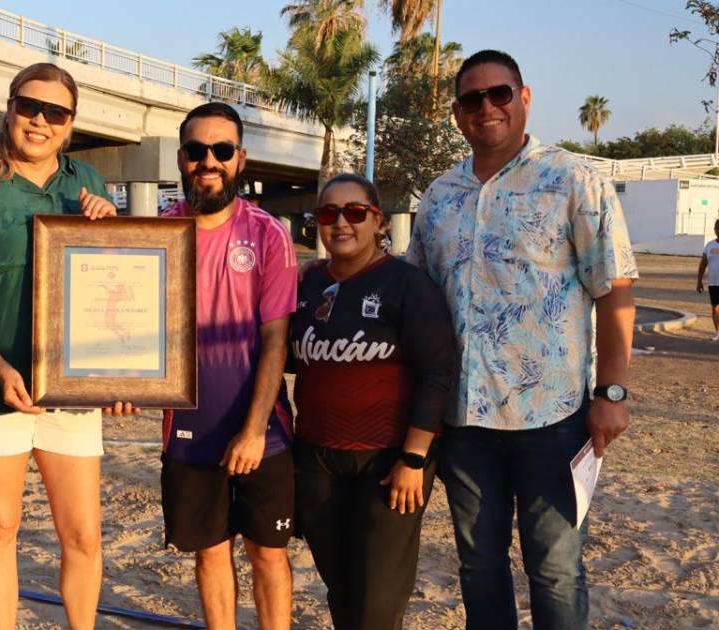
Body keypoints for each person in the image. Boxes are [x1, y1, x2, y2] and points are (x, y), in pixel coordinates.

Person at [408, 50, 639, 629]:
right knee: (478, 566)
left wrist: (612, 393)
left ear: (524, 98)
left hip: (553, 419)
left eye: (499, 93)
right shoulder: (439, 196)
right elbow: (419, 301)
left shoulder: (574, 180)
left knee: (555, 570)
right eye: (471, 98)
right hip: (464, 422)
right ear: (457, 113)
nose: (486, 107)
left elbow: (615, 291)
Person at [0, 62, 131, 630]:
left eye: (55, 112)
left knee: (83, 533)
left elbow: (117, 284)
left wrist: (111, 231)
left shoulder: (88, 184)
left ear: (71, 124)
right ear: (10, 108)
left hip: (69, 386)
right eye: (29, 106)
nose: (40, 121)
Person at [289, 173, 456, 630]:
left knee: (378, 598)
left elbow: (436, 374)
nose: (341, 223)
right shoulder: (306, 285)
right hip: (317, 460)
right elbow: (277, 355)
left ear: (378, 221)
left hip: (389, 462)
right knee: (342, 589)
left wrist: (414, 458)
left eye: (355, 212)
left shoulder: (408, 285)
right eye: (328, 213)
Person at [159, 102, 297, 630]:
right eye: (197, 150)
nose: (208, 161)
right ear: (181, 158)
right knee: (211, 552)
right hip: (187, 428)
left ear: (241, 158)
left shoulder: (268, 233)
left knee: (268, 554)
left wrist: (255, 430)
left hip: (264, 433)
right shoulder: (156, 233)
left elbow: (275, 340)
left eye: (221, 150)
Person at [695, 218, 719, 341]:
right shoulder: (709, 246)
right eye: (717, 228)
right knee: (715, 308)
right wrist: (699, 281)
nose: (718, 230)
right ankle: (717, 332)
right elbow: (703, 263)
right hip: (713, 283)